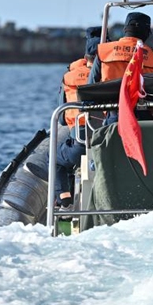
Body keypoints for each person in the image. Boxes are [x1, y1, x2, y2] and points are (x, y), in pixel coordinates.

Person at [54, 26, 102, 209]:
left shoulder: (69, 76)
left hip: (82, 140)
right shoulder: (113, 76)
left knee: (57, 159)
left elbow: (62, 118)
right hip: (111, 139)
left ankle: (65, 201)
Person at [88, 11, 153, 124]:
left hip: (114, 117)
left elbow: (91, 85)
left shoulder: (104, 51)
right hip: (143, 120)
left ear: (125, 29)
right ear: (147, 32)